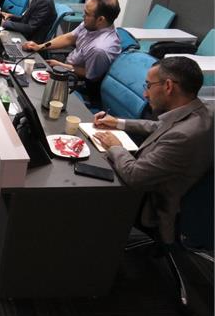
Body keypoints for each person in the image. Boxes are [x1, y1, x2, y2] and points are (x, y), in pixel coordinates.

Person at [92, 57, 214, 245]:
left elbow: (134, 176)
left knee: (87, 187)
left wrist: (115, 146)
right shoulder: (203, 108)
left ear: (168, 86)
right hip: (169, 185)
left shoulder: (183, 137)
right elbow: (161, 126)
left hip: (151, 205)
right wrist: (118, 123)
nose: (145, 93)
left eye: (148, 86)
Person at [21, 0, 122, 102]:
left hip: (79, 83)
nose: (83, 16)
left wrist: (62, 66)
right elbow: (69, 38)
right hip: (67, 66)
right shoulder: (91, 25)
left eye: (87, 14)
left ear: (101, 20)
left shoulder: (100, 49)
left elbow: (89, 75)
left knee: (33, 90)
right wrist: (40, 47)